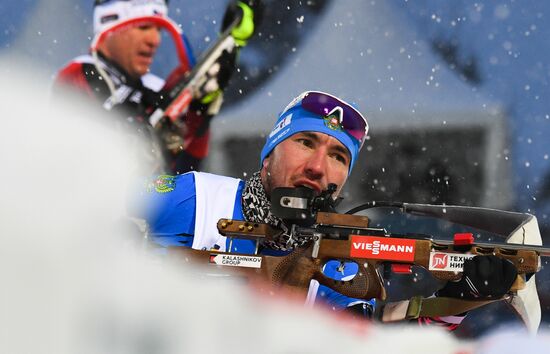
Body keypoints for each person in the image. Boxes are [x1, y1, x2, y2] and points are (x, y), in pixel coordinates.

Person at [137, 91, 518, 329]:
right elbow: (86, 212)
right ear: (268, 156)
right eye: (305, 142)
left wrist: (458, 299)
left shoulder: (340, 265)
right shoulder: (196, 197)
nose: (318, 167)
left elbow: (372, 335)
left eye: (338, 156)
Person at [53, 0, 260, 174]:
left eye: (159, 30)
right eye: (143, 27)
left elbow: (187, 172)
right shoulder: (77, 75)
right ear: (108, 29)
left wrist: (198, 113)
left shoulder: (155, 88)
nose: (154, 40)